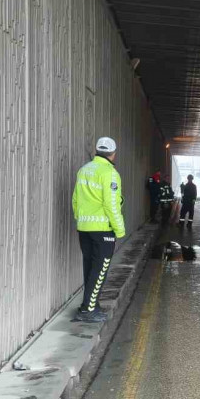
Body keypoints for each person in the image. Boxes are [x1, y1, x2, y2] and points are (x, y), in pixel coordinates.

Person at [71, 137, 125, 322]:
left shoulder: (84, 170)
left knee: (90, 267)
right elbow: (112, 204)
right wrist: (119, 229)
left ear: (97, 150)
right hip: (102, 229)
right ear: (113, 153)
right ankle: (87, 310)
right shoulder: (110, 173)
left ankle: (90, 304)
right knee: (100, 269)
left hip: (84, 227)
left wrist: (81, 219)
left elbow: (75, 199)